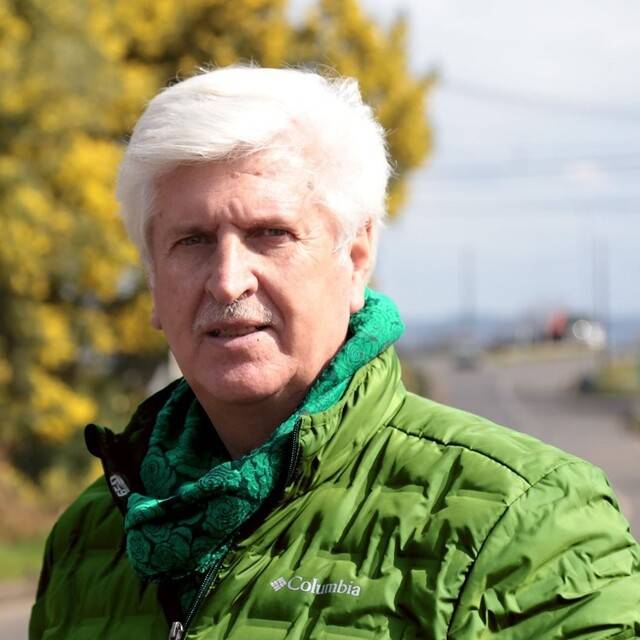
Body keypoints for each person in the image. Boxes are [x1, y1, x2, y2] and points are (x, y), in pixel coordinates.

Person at [30, 65, 640, 640]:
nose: (228, 281)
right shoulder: (91, 535)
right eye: (191, 241)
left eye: (271, 234)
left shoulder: (530, 520)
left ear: (356, 258)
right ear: (153, 285)